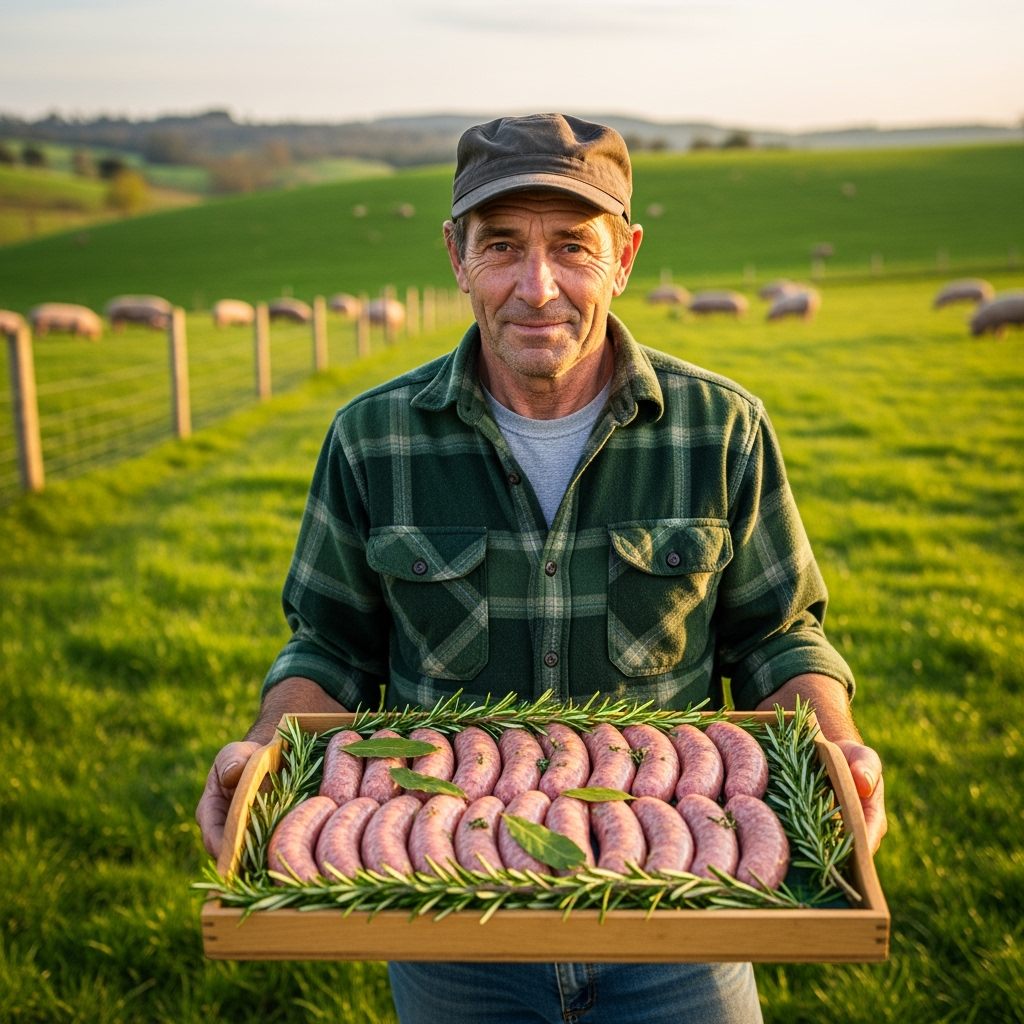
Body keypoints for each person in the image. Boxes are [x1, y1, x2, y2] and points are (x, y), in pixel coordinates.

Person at [196, 114, 887, 1023]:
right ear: (455, 254)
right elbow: (330, 644)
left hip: (681, 915)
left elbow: (779, 634)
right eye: (502, 247)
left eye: (573, 247)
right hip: (450, 930)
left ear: (626, 256)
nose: (537, 287)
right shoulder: (373, 439)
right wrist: (266, 749)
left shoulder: (721, 429)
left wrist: (834, 746)